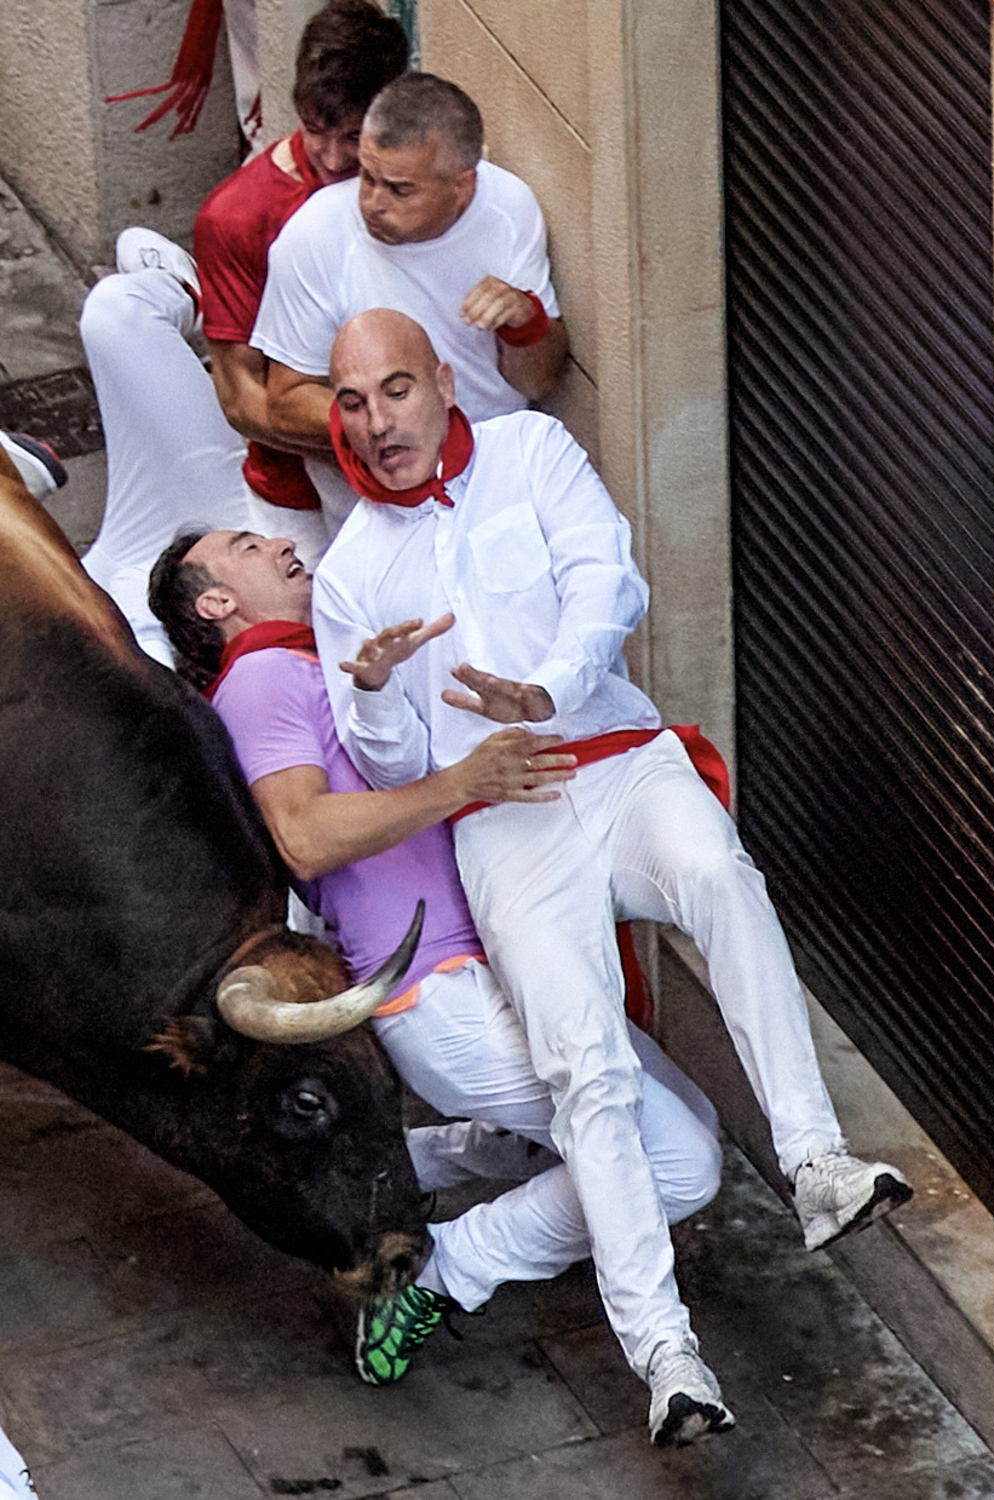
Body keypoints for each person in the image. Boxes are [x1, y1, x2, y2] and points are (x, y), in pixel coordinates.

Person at [307, 307, 914, 1446]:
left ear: (441, 382)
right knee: (585, 1070)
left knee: (720, 875)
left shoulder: (532, 450)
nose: (378, 421)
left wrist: (543, 686)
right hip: (508, 817)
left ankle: (815, 1158)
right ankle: (666, 1358)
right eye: (352, 402)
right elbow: (389, 764)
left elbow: (609, 585)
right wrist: (382, 693)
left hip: (618, 759)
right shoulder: (349, 575)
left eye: (395, 390)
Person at [147, 525, 726, 1432]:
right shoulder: (262, 680)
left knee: (677, 1129)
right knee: (679, 1166)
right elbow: (304, 836)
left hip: (503, 963)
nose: (280, 544)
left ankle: (426, 1159)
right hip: (441, 992)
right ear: (214, 603)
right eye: (245, 546)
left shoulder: (321, 660)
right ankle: (450, 1267)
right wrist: (465, 781)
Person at [81, 0, 408, 664]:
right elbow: (242, 405)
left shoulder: (414, 186)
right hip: (282, 487)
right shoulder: (237, 217)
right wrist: (393, 426)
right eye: (319, 129)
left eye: (356, 136)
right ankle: (171, 289)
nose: (335, 155)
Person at [251, 71, 569, 456]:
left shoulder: (509, 208)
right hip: (376, 489)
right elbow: (286, 402)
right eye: (367, 177)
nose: (372, 203)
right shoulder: (314, 234)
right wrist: (390, 424)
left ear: (462, 186)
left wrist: (525, 322)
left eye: (400, 189)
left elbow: (537, 382)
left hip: (499, 464)